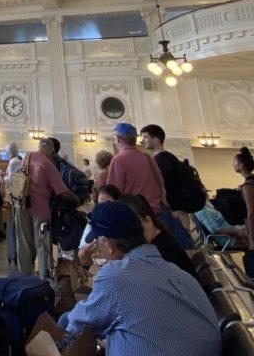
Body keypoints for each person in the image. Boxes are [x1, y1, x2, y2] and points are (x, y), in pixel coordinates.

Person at [58, 201, 221, 356]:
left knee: (65, 321)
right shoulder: (176, 272)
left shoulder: (115, 276)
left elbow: (75, 325)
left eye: (99, 244)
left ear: (108, 244)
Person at [14, 138, 75, 274]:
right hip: (40, 207)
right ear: (49, 149)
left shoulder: (27, 156)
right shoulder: (48, 165)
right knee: (42, 243)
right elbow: (62, 191)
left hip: (22, 203)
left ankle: (24, 275)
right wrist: (75, 198)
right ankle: (44, 273)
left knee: (23, 242)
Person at [114, 193, 197, 280]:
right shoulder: (160, 239)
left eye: (135, 227)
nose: (131, 235)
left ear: (148, 221)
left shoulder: (160, 252)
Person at [140, 124, 198, 238]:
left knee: (180, 246)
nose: (142, 141)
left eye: (145, 137)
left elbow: (163, 185)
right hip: (179, 209)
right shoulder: (169, 156)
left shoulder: (160, 159)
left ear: (156, 140)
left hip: (174, 211)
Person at [105, 123, 165, 213]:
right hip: (156, 211)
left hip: (135, 214)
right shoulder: (147, 157)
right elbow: (160, 182)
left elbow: (112, 192)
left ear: (118, 139)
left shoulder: (118, 159)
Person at [4, 142, 22, 266]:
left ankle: (13, 254)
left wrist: (1, 176)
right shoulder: (18, 161)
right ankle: (13, 254)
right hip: (16, 198)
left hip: (13, 198)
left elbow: (10, 180)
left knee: (13, 226)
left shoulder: (13, 162)